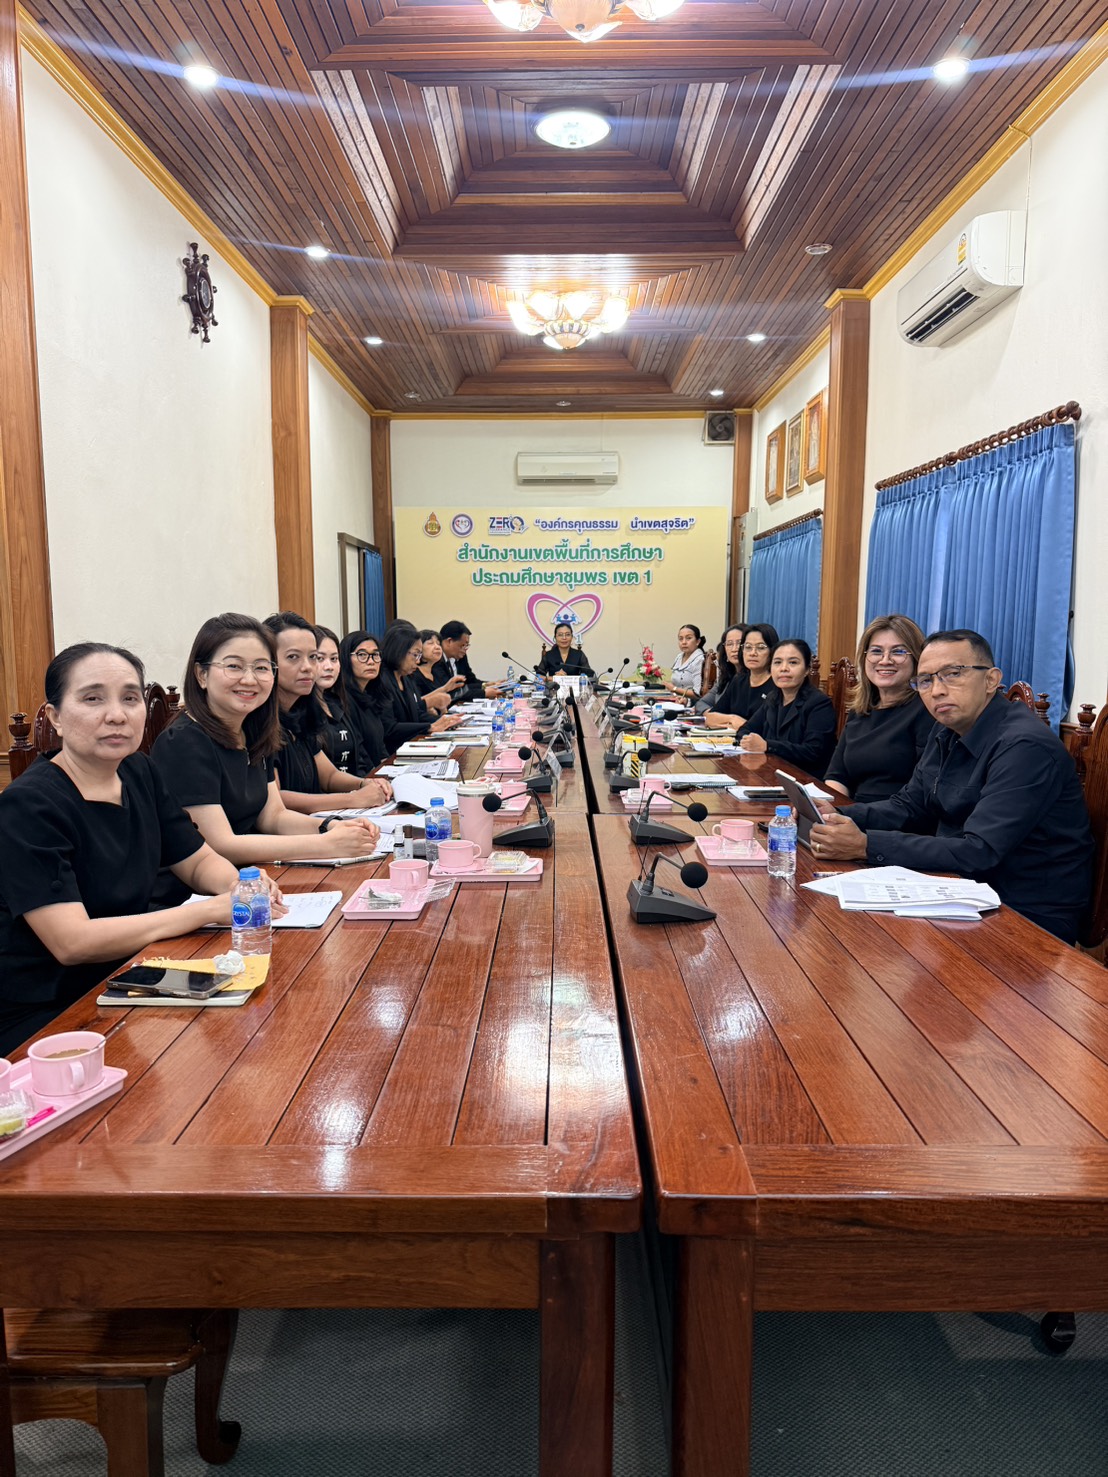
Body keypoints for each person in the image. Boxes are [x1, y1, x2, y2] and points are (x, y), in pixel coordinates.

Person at [0, 643, 265, 1054]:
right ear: (56, 717)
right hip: (47, 1011)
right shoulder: (27, 805)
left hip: (128, 975)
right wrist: (205, 911)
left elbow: (197, 860)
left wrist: (240, 888)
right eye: (92, 699)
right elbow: (72, 942)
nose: (117, 715)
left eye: (129, 698)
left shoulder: (138, 771)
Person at [810, 630, 1094, 942]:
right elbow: (909, 805)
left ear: (991, 680)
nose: (937, 691)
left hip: (1025, 912)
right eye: (925, 680)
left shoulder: (1024, 746)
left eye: (953, 674)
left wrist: (866, 845)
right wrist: (835, 814)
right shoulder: (947, 730)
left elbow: (979, 849)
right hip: (961, 888)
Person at [150, 614, 380, 901]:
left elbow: (274, 816)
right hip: (195, 896)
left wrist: (331, 826)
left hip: (257, 879)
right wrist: (325, 844)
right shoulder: (184, 741)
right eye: (234, 666)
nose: (249, 679)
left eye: (261, 667)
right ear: (201, 675)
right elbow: (220, 844)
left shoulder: (254, 730)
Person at [263, 612, 391, 814]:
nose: (308, 667)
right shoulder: (262, 722)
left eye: (313, 657)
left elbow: (329, 776)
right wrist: (352, 799)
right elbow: (277, 799)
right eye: (293, 657)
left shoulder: (301, 713)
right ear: (268, 663)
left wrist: (365, 783)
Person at [824, 615, 935, 802]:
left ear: (917, 659)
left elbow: (922, 792)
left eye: (898, 652)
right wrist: (830, 810)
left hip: (896, 814)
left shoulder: (926, 709)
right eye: (876, 651)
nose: (885, 660)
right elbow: (837, 776)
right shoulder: (859, 709)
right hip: (851, 811)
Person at [737, 637, 837, 777]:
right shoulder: (772, 698)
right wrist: (749, 740)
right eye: (777, 662)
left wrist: (767, 745)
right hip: (771, 773)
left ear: (807, 669)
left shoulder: (819, 703)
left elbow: (813, 752)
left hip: (805, 779)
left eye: (793, 662)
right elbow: (745, 730)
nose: (784, 668)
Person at [376, 620, 463, 752]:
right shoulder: (382, 680)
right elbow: (389, 728)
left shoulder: (405, 678)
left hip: (411, 745)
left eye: (419, 655)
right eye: (415, 655)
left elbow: (416, 713)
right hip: (393, 752)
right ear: (399, 651)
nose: (418, 661)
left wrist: (444, 721)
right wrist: (429, 727)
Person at [704, 623, 780, 730]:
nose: (752, 653)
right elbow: (710, 718)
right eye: (748, 647)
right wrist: (733, 719)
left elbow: (769, 729)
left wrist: (741, 725)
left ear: (773, 651)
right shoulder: (739, 680)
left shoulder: (778, 684)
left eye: (761, 647)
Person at [313, 624, 365, 775]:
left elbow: (359, 756)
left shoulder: (337, 702)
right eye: (320, 658)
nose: (329, 666)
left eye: (334, 659)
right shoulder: (299, 711)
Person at [339, 630, 389, 768]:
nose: (371, 662)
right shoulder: (343, 700)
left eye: (375, 655)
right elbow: (359, 752)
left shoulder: (371, 695)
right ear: (345, 659)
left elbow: (380, 747)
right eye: (362, 655)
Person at [436, 620, 501, 701]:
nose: (465, 649)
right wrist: (483, 692)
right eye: (463, 645)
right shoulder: (436, 661)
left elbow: (469, 681)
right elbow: (453, 692)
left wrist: (486, 685)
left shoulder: (460, 656)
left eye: (467, 645)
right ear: (449, 641)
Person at [695, 625, 746, 714]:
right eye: (729, 644)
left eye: (739, 643)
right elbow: (701, 703)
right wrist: (712, 715)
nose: (734, 649)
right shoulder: (726, 678)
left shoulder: (753, 679)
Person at [412, 629, 464, 708]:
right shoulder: (413, 674)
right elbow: (415, 704)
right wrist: (445, 688)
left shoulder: (437, 672)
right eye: (430, 643)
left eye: (438, 644)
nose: (437, 647)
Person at [663, 624, 706, 700]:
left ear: (698, 641)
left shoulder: (700, 659)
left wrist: (674, 689)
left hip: (693, 703)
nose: (684, 642)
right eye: (680, 639)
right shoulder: (679, 657)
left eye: (688, 638)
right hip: (676, 700)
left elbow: (698, 694)